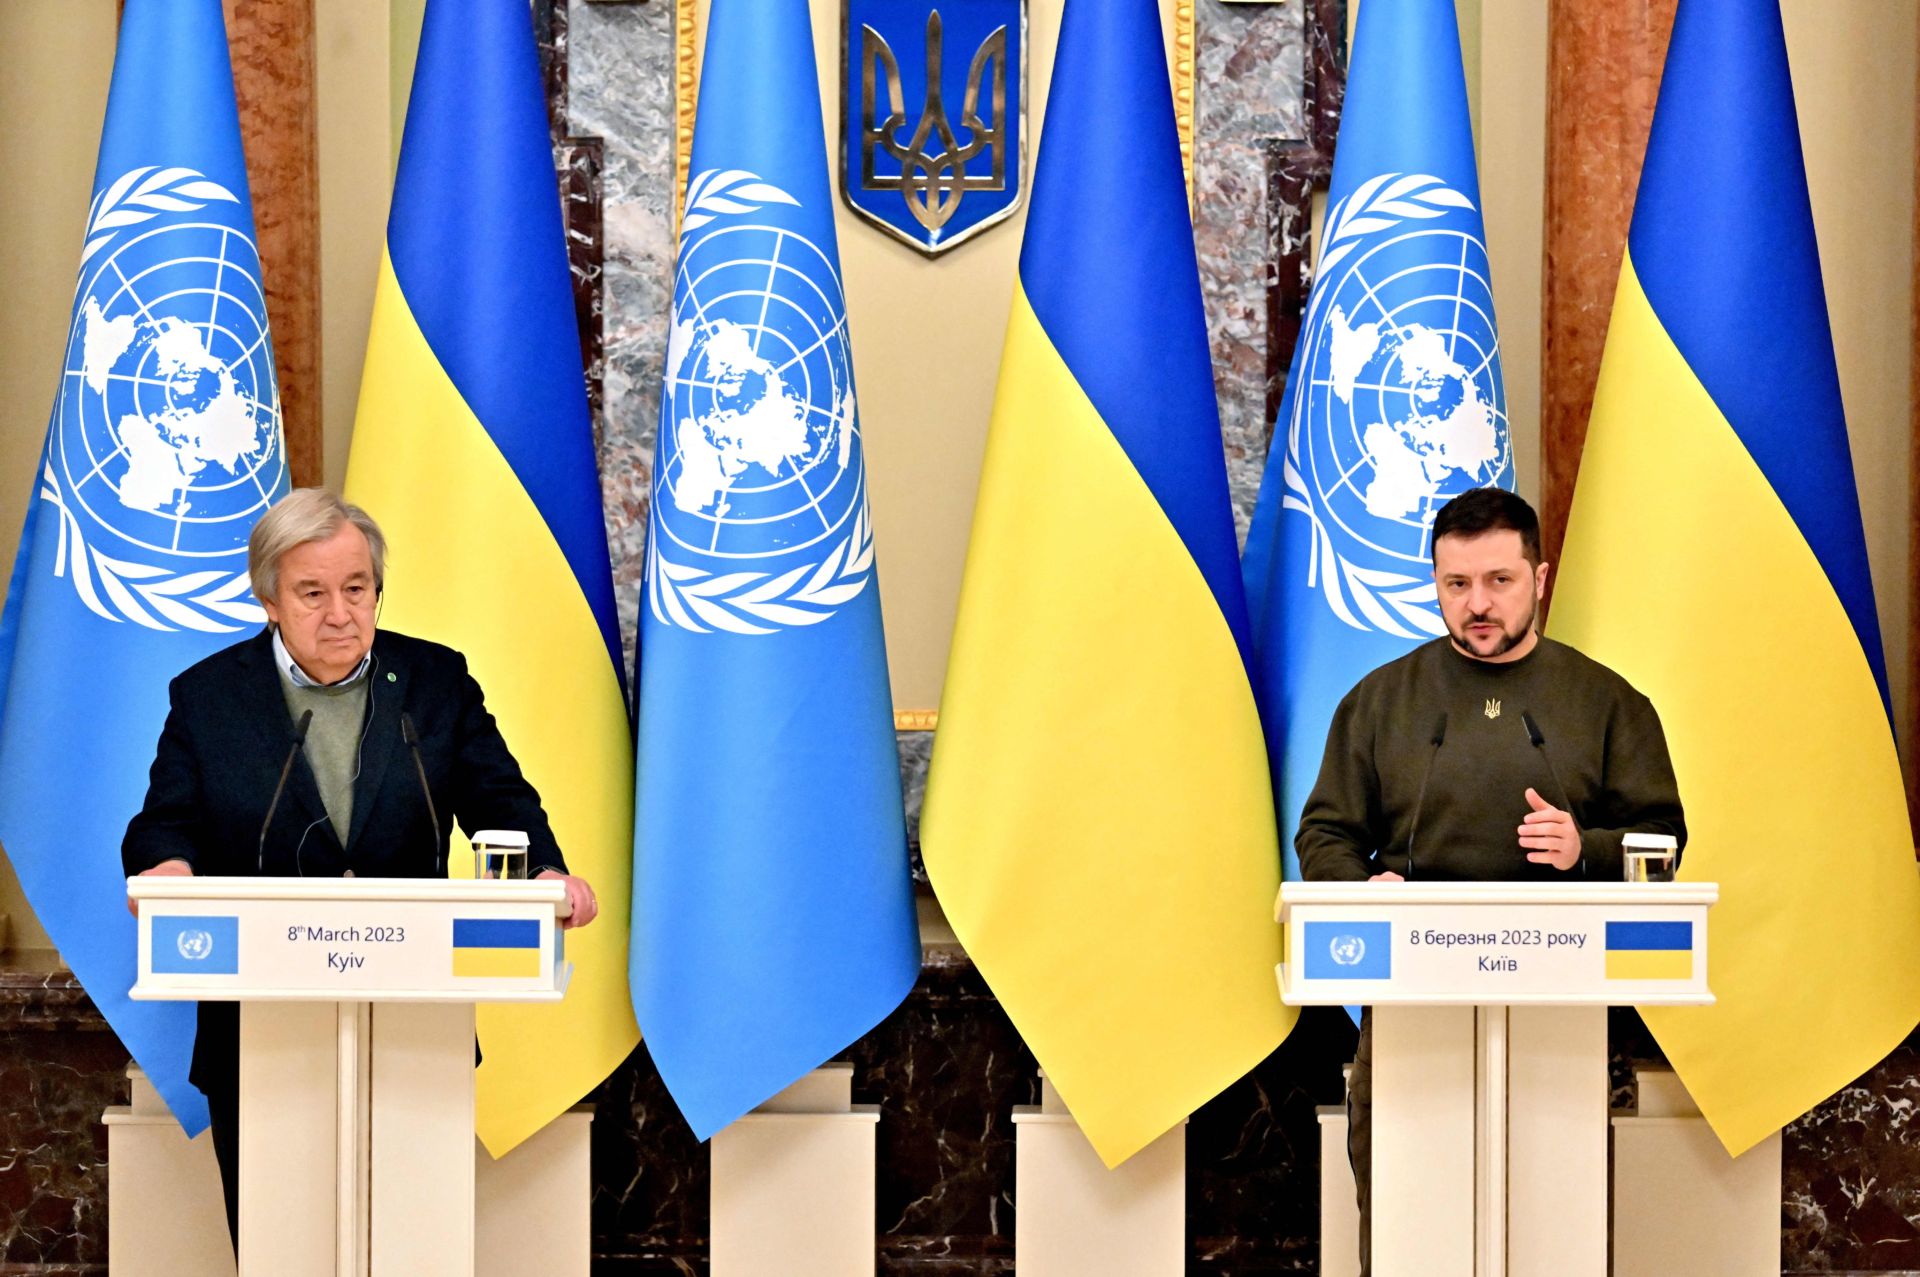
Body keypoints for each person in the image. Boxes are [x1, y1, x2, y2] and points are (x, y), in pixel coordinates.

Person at [121, 488, 599, 1251]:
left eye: (357, 588)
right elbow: (163, 824)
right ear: (269, 600)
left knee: (415, 1242)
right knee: (281, 1244)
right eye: (313, 593)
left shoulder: (435, 682)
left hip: (416, 1026)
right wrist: (167, 868)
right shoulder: (209, 697)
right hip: (257, 1033)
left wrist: (545, 873)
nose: (341, 613)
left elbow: (500, 799)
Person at [1296, 487, 1685, 1276]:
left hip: (1563, 1010)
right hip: (1411, 1000)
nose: (1477, 604)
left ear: (1539, 578)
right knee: (1408, 1224)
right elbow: (1324, 833)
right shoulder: (1381, 702)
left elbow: (1664, 842)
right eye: (1456, 583)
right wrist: (1366, 889)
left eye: (1499, 581)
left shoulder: (1607, 702)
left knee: (1552, 1224)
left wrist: (1585, 848)